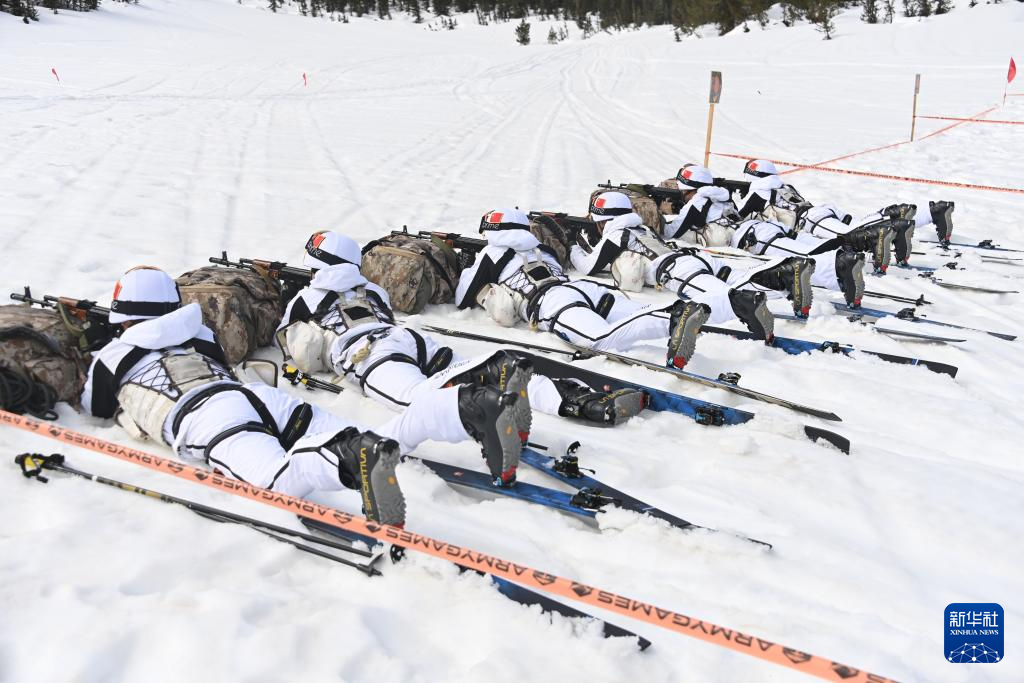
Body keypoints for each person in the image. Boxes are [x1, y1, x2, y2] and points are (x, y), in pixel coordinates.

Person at [277, 232, 645, 475]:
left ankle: (480, 406)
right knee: (467, 369)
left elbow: (294, 349)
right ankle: (578, 399)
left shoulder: (306, 298)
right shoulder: (372, 290)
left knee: (415, 399)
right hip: (411, 339)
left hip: (370, 352)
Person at [81, 266, 406, 526]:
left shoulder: (114, 355)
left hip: (208, 418)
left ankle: (349, 456)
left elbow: (96, 407)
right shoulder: (200, 333)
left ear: (123, 315)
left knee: (274, 482)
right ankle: (373, 441)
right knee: (339, 430)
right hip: (254, 396)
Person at [454, 208, 711, 369]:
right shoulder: (542, 248)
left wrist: (467, 265)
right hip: (583, 289)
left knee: (598, 339)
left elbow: (463, 298)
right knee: (637, 311)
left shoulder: (492, 252)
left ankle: (674, 322)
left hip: (552, 302)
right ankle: (674, 314)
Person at [569, 190, 775, 340]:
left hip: (676, 270)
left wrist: (572, 246)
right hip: (691, 259)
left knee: (722, 296)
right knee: (740, 281)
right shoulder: (641, 228)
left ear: (603, 221)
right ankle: (777, 287)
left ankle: (747, 306)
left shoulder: (616, 233)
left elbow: (588, 267)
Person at [660, 165, 865, 308]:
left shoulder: (698, 202)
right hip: (762, 229)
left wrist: (663, 212)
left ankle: (840, 266)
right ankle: (843, 261)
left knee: (806, 258)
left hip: (755, 237)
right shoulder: (720, 197)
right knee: (809, 251)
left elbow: (670, 232)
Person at [733, 159, 955, 271]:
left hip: (811, 220)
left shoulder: (759, 191)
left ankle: (892, 222)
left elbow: (739, 219)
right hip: (820, 212)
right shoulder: (784, 185)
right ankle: (926, 213)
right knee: (858, 226)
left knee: (854, 235)